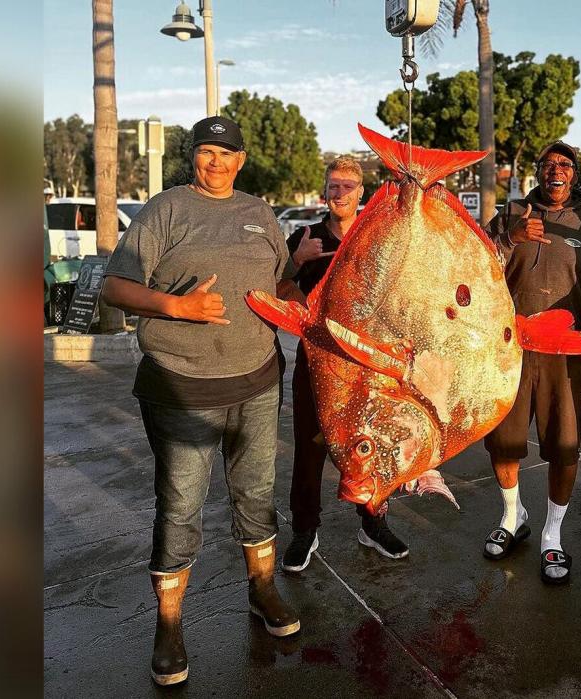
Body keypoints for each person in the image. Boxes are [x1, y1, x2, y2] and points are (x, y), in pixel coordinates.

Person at [101, 115, 304, 687]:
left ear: (241, 160)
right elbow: (115, 288)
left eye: (226, 153)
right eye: (205, 151)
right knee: (180, 506)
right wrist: (177, 308)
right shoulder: (166, 209)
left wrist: (310, 276)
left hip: (258, 381)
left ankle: (263, 590)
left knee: (256, 493)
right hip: (181, 387)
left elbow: (282, 287)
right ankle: (169, 624)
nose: (215, 161)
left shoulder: (262, 214)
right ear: (194, 157)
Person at [481, 141, 581, 584]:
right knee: (503, 443)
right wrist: (509, 238)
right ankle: (513, 517)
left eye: (564, 164)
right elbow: (476, 269)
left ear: (574, 173)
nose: (555, 171)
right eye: (548, 165)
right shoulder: (511, 214)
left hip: (565, 356)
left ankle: (551, 535)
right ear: (538, 172)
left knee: (563, 447)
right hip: (510, 351)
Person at [280, 156, 410, 572]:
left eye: (347, 187)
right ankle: (305, 529)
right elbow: (279, 284)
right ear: (325, 192)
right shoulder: (305, 235)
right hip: (317, 359)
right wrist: (297, 261)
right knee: (311, 444)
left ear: (361, 193)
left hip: (366, 365)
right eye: (333, 186)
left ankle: (373, 523)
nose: (340, 194)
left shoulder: (377, 234)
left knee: (370, 442)